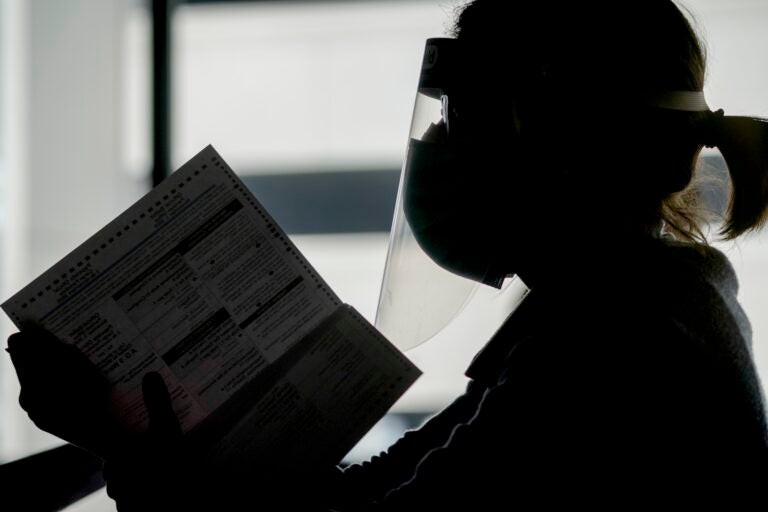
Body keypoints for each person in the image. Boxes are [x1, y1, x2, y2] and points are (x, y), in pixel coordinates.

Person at [7, 0, 768, 508]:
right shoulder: (625, 307)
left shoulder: (616, 348)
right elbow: (378, 490)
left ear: (558, 144)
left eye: (461, 115)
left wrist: (119, 441)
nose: (438, 143)